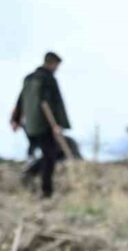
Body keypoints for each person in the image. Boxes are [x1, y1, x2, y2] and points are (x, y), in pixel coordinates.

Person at [10, 51, 69, 199]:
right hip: (44, 124)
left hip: (29, 125)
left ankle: (30, 174)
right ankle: (45, 190)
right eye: (56, 65)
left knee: (48, 153)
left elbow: (21, 99)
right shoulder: (47, 79)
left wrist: (16, 120)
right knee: (51, 155)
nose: (57, 68)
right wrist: (55, 124)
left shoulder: (29, 79)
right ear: (52, 63)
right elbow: (46, 103)